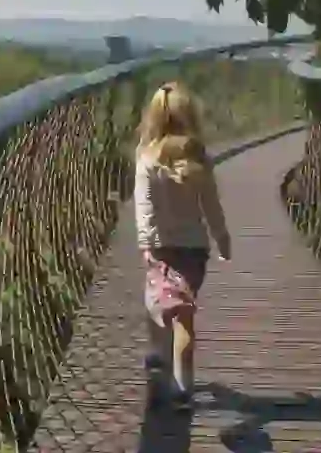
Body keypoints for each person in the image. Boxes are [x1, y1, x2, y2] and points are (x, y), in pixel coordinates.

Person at [133, 81, 231, 411]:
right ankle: (183, 384)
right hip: (193, 252)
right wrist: (222, 238)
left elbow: (143, 205)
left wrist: (145, 243)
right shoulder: (199, 158)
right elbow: (211, 206)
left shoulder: (146, 158)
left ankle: (159, 353)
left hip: (160, 249)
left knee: (156, 302)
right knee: (183, 318)